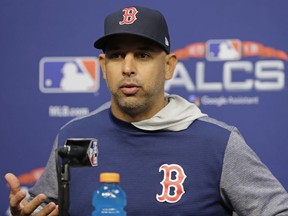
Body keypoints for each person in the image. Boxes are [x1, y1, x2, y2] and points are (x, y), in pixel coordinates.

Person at [5, 5, 288, 216]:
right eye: (116, 55)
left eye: (142, 55)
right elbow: (36, 206)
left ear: (168, 66)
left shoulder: (217, 142)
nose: (127, 68)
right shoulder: (74, 135)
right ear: (103, 66)